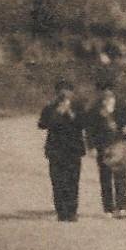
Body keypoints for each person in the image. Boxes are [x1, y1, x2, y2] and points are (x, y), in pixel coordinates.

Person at [84, 80, 126, 219]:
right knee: (105, 177)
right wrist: (91, 146)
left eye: (108, 89)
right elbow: (89, 129)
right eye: (103, 90)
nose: (106, 92)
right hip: (102, 145)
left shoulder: (121, 105)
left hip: (119, 144)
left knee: (120, 175)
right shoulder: (95, 108)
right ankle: (108, 208)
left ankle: (121, 207)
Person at [37, 80, 86, 222]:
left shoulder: (78, 107)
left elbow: (84, 124)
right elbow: (42, 124)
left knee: (73, 180)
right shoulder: (50, 107)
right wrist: (56, 114)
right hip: (56, 149)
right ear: (57, 93)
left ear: (72, 93)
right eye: (61, 91)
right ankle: (61, 211)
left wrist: (71, 114)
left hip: (73, 149)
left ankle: (72, 211)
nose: (64, 94)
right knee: (57, 181)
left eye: (68, 91)